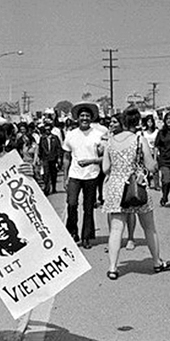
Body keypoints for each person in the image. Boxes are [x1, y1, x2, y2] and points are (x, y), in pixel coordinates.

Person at [101, 110, 170, 280]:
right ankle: (156, 262)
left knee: (116, 229)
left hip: (116, 188)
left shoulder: (110, 142)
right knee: (149, 227)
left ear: (123, 122)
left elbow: (105, 168)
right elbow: (150, 166)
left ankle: (112, 268)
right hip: (136, 187)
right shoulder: (139, 140)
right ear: (137, 122)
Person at [62, 102, 104, 249]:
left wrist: (93, 159)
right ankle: (72, 232)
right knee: (72, 204)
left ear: (91, 118)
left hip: (92, 175)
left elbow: (104, 157)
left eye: (87, 116)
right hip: (75, 175)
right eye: (82, 116)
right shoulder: (71, 135)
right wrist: (65, 177)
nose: (84, 118)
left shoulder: (98, 135)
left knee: (88, 207)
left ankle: (86, 236)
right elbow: (66, 157)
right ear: (77, 118)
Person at [37, 123, 62, 195]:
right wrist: (40, 158)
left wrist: (59, 157)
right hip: (45, 159)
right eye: (46, 129)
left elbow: (58, 148)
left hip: (53, 158)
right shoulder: (42, 138)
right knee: (46, 174)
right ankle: (46, 189)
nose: (47, 131)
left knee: (53, 174)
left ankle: (54, 187)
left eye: (49, 129)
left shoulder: (55, 137)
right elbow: (40, 149)